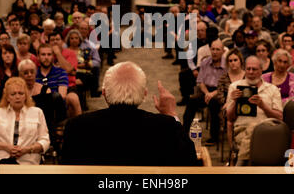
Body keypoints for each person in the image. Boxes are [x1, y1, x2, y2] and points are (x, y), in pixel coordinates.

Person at [61, 62, 198, 166]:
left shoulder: (76, 126)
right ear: (144, 94)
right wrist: (171, 114)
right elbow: (190, 162)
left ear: (104, 94)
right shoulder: (167, 126)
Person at [226, 56, 283, 166]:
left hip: (267, 131)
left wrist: (263, 106)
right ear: (245, 70)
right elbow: (230, 118)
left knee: (254, 129)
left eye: (254, 69)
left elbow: (279, 118)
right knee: (252, 131)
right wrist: (234, 102)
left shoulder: (272, 89)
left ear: (261, 70)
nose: (251, 72)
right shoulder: (235, 87)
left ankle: (240, 164)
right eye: (248, 69)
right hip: (241, 130)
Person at [0, 77, 50, 165]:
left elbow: (45, 141)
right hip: (2, 162)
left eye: (21, 93)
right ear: (7, 97)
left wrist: (27, 149)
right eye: (13, 94)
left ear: (26, 95)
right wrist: (7, 147)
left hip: (29, 162)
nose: (17, 97)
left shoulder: (37, 112)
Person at [182, 39, 227, 146]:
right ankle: (183, 132)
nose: (215, 52)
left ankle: (214, 137)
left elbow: (226, 86)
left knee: (214, 104)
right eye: (213, 49)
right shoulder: (205, 62)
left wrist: (212, 94)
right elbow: (200, 81)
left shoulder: (227, 65)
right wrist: (207, 93)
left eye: (218, 49)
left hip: (220, 92)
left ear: (223, 51)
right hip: (206, 91)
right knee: (192, 101)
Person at [18, 60, 66, 152]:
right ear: (20, 75)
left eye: (32, 72)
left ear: (35, 73)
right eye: (25, 73)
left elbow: (49, 117)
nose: (29, 75)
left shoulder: (45, 90)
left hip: (42, 128)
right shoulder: (16, 92)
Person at [36, 44, 82, 118]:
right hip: (38, 107)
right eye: (43, 54)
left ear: (53, 57)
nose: (46, 57)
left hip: (56, 107)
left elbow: (62, 96)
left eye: (49, 54)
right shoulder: (33, 74)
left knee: (67, 97)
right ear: (38, 57)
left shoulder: (61, 72)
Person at [218, 48, 246, 150]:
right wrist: (229, 102)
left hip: (246, 105)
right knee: (229, 117)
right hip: (228, 106)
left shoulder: (248, 76)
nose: (233, 63)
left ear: (240, 61)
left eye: (235, 60)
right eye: (230, 61)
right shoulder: (223, 78)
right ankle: (232, 151)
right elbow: (221, 98)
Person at [0, 44, 19, 110]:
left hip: (16, 103)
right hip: (0, 103)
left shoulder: (19, 71)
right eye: (5, 53)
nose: (8, 55)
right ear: (1, 56)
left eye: (10, 53)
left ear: (14, 55)